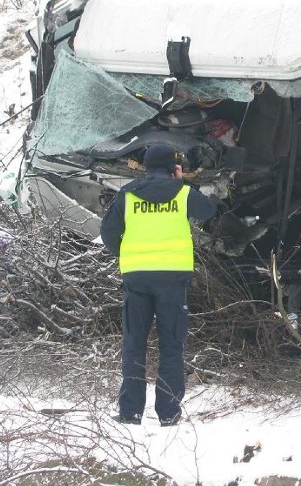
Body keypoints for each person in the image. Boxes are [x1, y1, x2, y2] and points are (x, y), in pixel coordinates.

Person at [100, 144, 217, 426]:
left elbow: (108, 233)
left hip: (137, 277)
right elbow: (209, 211)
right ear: (173, 167)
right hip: (172, 280)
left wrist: (127, 253)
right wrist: (183, 182)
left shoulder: (128, 193)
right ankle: (168, 413)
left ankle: (131, 412)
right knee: (171, 346)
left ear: (145, 165)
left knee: (134, 344)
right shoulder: (183, 192)